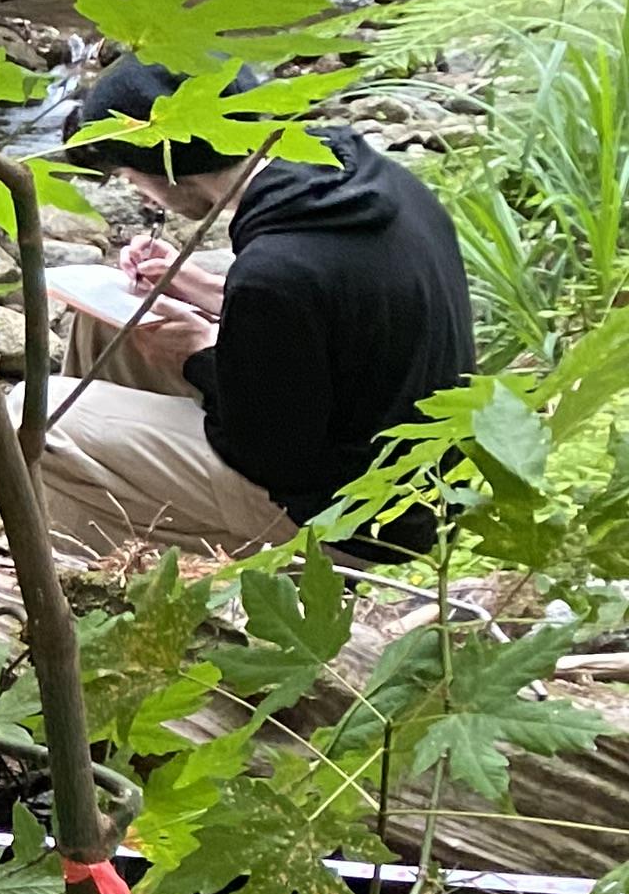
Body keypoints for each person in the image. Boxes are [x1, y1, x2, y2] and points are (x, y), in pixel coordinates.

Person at [36, 59, 473, 556]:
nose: (137, 191)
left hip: (355, 522)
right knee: (108, 322)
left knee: (35, 415)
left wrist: (198, 355)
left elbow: (272, 453)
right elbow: (334, 319)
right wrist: (203, 288)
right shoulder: (354, 178)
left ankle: (96, 568)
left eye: (130, 176)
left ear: (165, 173)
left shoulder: (276, 271)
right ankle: (112, 491)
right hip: (401, 465)